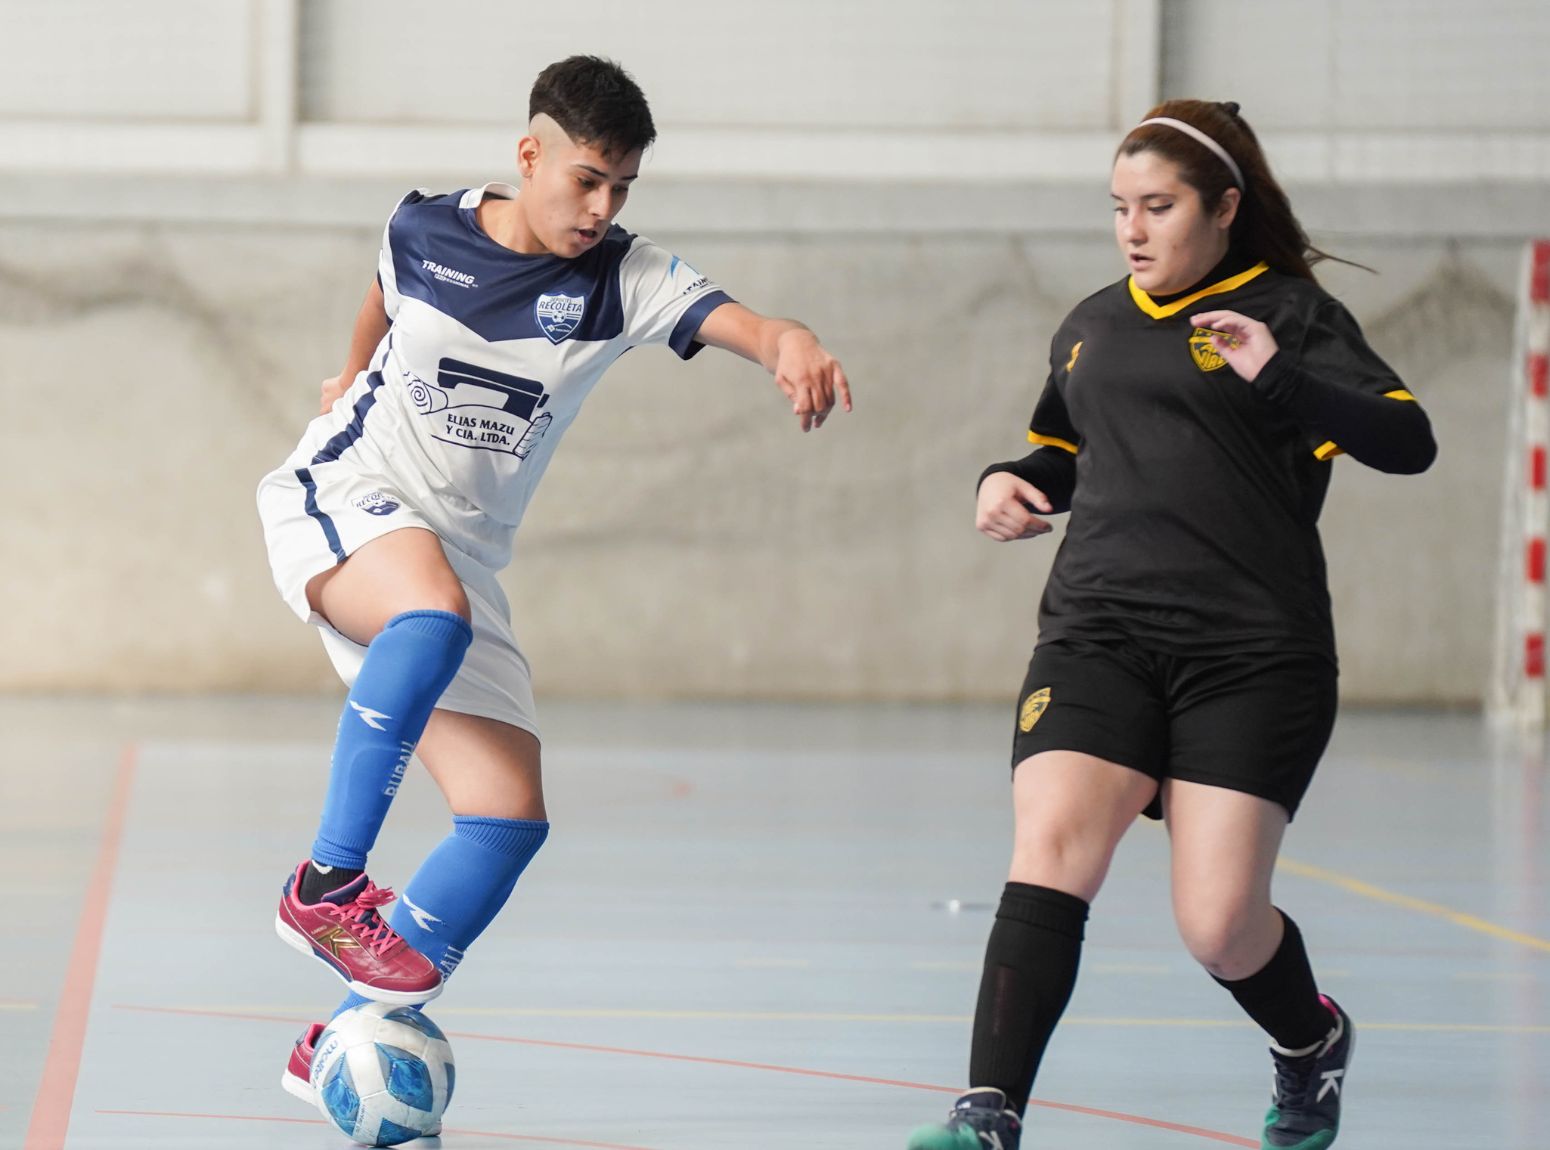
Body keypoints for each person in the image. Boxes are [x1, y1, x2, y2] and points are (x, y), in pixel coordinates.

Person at [256, 55, 851, 1108]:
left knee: (504, 818)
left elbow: (739, 323)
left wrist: (786, 340)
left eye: (621, 186)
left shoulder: (622, 277)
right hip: (347, 495)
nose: (601, 205)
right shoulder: (423, 227)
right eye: (585, 178)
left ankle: (338, 1041)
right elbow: (382, 295)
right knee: (426, 613)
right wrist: (347, 378)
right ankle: (323, 885)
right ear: (527, 156)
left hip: (458, 559)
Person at [907, 99, 1435, 1150]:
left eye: (1157, 207)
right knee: (1050, 847)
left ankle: (1307, 1040)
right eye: (1118, 208)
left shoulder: (1288, 315)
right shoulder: (1091, 325)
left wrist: (1274, 374)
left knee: (1218, 923)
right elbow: (1061, 450)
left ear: (1222, 209)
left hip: (1250, 653)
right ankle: (986, 1114)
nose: (1133, 230)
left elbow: (1406, 441)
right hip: (1097, 629)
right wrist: (1007, 481)